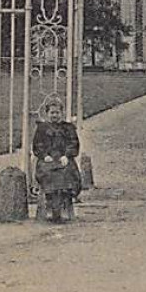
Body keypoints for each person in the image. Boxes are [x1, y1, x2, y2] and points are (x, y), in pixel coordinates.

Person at [31, 95, 82, 223]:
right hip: (47, 159)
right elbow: (37, 145)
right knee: (48, 173)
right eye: (52, 112)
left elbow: (73, 143)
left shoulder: (68, 127)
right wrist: (44, 155)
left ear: (62, 113)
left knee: (66, 172)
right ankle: (50, 206)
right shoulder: (42, 128)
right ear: (47, 113)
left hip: (63, 158)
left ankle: (64, 206)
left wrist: (67, 155)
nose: (55, 115)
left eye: (57, 112)